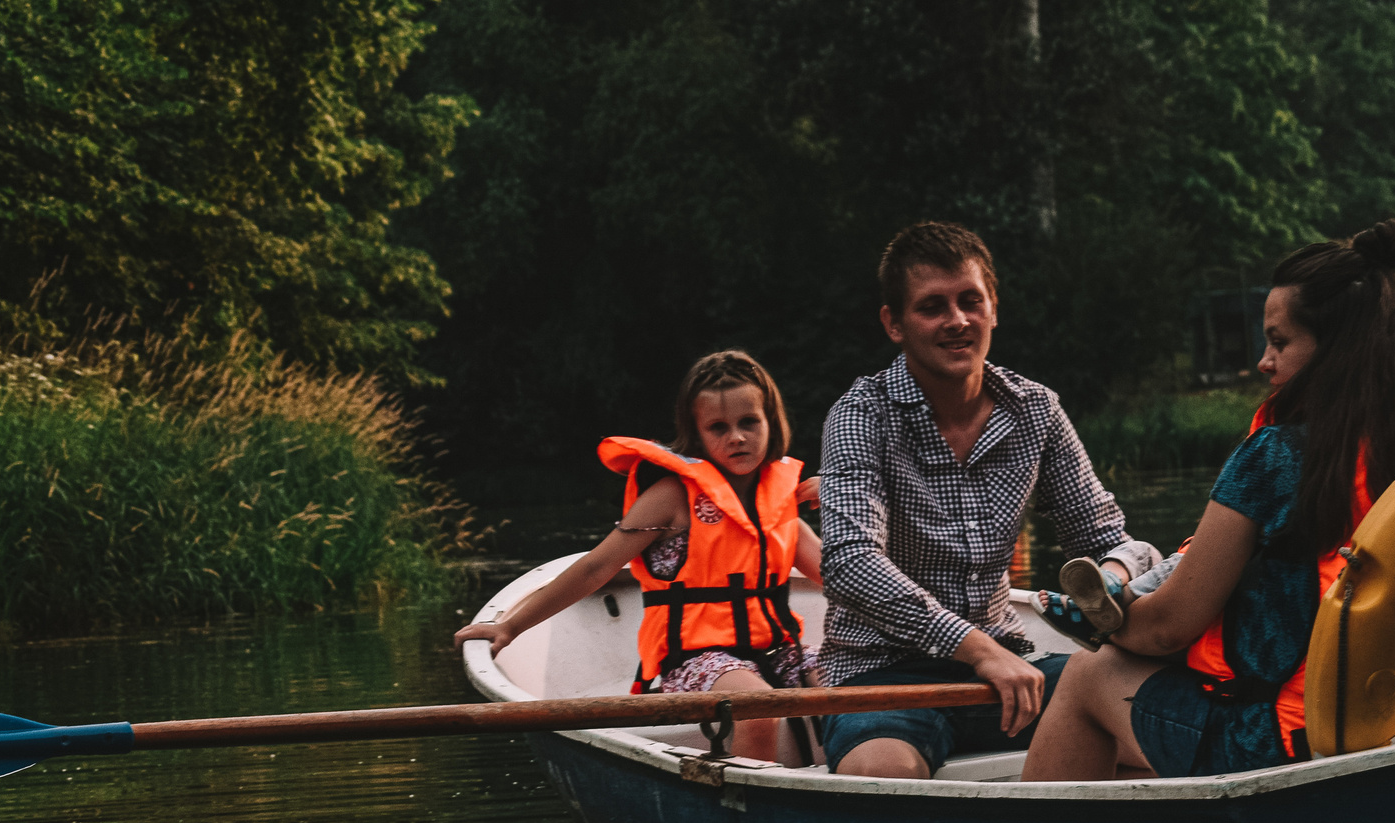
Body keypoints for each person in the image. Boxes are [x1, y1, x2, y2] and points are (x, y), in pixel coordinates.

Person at [1022, 217, 1395, 781]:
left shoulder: (1280, 456)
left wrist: (1113, 628)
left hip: (1307, 743)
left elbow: (1167, 629)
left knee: (1090, 675)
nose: (1264, 361)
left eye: (1280, 342)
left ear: (1339, 349)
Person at [817, 221, 1159, 779]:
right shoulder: (861, 414)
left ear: (993, 309)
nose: (957, 320)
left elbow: (1105, 537)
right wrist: (977, 649)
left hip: (1010, 671)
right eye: (932, 307)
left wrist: (1113, 574)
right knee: (883, 774)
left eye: (970, 301)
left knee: (1165, 716)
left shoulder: (1036, 410)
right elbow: (850, 563)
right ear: (894, 324)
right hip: (882, 676)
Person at [454, 349, 820, 765]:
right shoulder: (672, 497)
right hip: (697, 660)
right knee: (758, 708)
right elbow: (596, 568)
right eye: (718, 427)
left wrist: (845, 499)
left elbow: (846, 576)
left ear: (771, 423)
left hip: (779, 650)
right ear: (697, 435)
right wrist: (509, 627)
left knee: (853, 684)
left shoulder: (780, 501)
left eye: (748, 422)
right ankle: (752, 801)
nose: (736, 437)